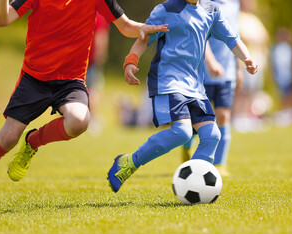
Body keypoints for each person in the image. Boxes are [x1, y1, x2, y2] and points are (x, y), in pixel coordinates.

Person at [0, 0, 169, 215]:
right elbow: (3, 19)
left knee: (80, 121)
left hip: (71, 81)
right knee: (8, 137)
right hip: (34, 78)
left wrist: (144, 28)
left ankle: (33, 142)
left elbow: (125, 25)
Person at [107, 0, 258, 193]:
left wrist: (247, 58)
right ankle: (128, 162)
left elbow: (232, 39)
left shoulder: (212, 11)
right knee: (182, 132)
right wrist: (131, 61)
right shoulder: (165, 10)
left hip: (195, 86)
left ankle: (193, 184)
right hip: (168, 81)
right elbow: (144, 38)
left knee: (212, 135)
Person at [181, 0, 241, 177]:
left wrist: (239, 69)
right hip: (203, 72)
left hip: (227, 73)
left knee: (223, 115)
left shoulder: (234, 4)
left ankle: (220, 163)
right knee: (197, 119)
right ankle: (187, 145)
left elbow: (235, 35)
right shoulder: (202, 3)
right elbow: (200, 34)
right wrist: (211, 61)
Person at [232, 0, 269, 132]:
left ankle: (247, 116)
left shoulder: (254, 19)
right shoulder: (238, 17)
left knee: (252, 91)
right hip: (244, 61)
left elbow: (264, 36)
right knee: (242, 91)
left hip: (257, 60)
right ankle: (238, 116)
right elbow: (238, 37)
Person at [86, 13, 110, 135]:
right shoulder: (98, 16)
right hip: (90, 61)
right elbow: (101, 36)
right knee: (93, 89)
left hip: (78, 60)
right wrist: (101, 54)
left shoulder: (81, 12)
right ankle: (93, 119)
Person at [271, 27, 292, 101]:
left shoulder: (278, 48)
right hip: (283, 77)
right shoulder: (283, 48)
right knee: (284, 96)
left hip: (284, 77)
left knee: (286, 96)